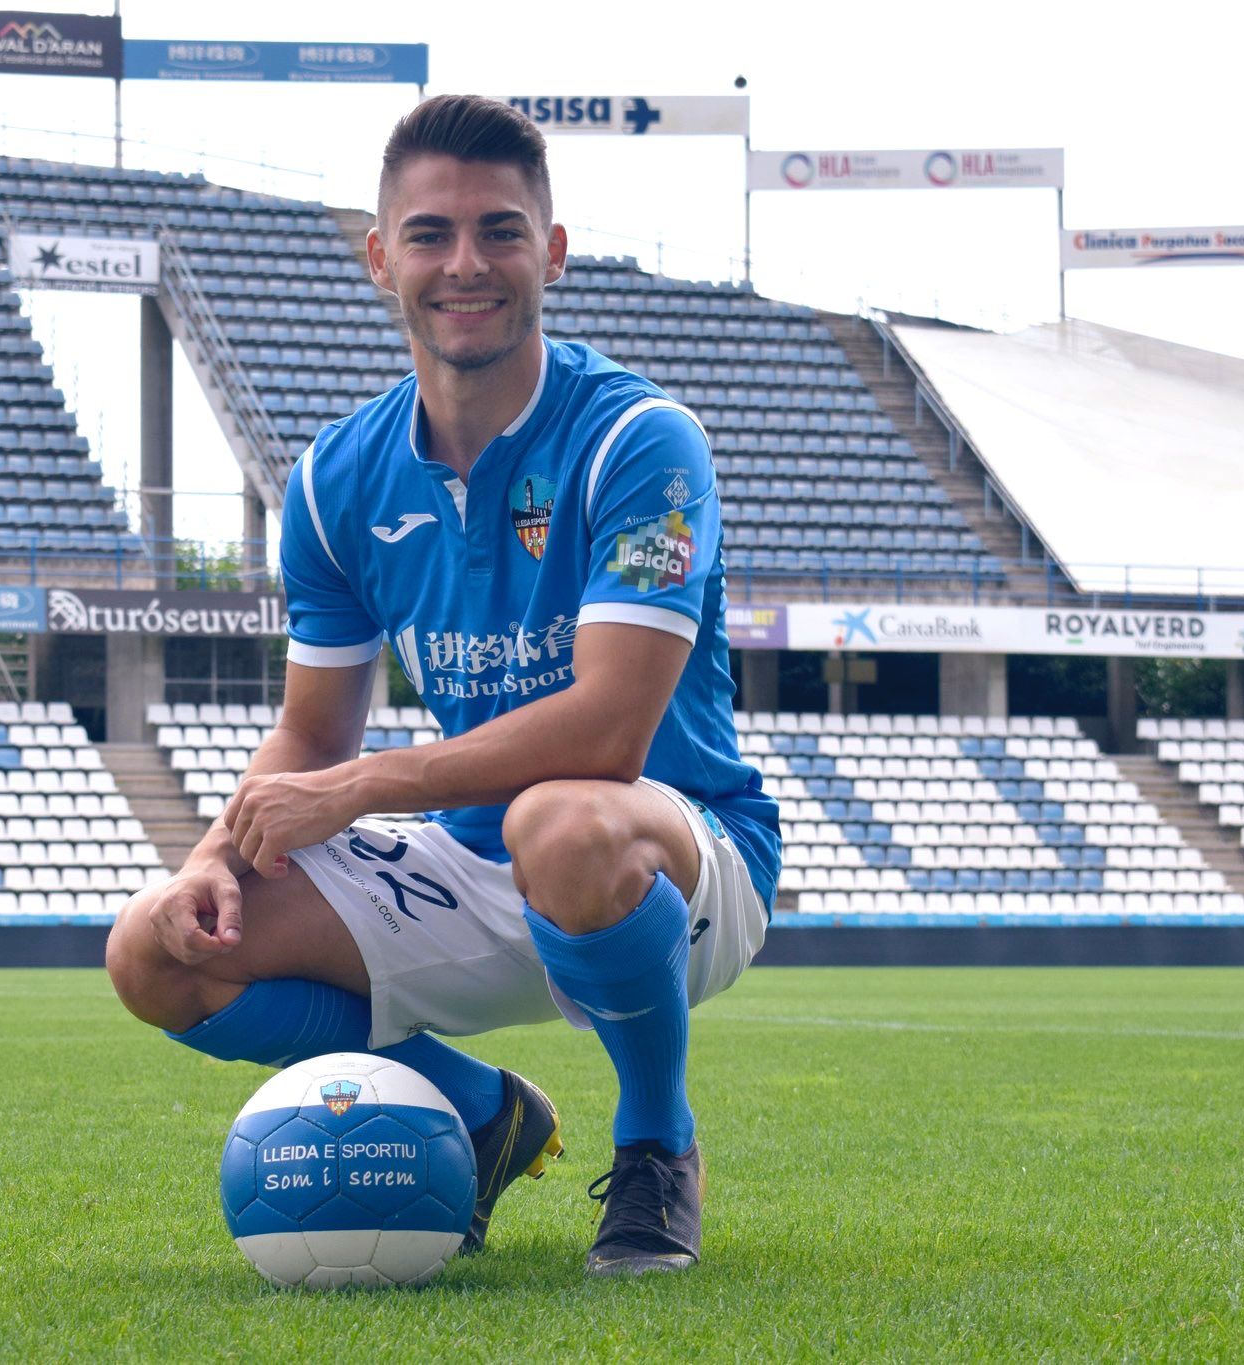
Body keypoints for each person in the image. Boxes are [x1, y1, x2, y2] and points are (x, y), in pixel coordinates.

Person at [106, 93, 781, 1277]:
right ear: (380, 258)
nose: (464, 264)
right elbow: (312, 728)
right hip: (472, 857)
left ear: (551, 254)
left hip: (669, 852)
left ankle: (655, 1144)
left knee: (563, 820)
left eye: (499, 231)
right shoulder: (332, 483)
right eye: (429, 234)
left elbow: (611, 731)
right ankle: (480, 1114)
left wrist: (366, 787)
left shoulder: (639, 442)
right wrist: (215, 851)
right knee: (155, 950)